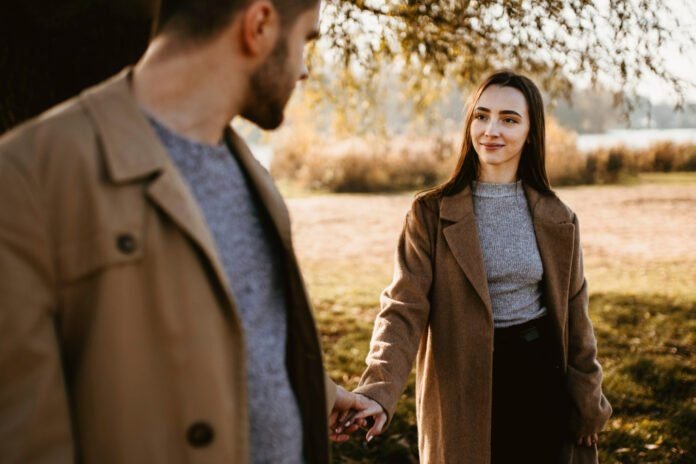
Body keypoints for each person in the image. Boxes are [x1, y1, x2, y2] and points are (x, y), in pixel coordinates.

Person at [0, 0, 372, 462]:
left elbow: (243, 328)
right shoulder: (24, 179)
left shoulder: (253, 175)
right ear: (258, 25)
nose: (303, 71)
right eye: (305, 41)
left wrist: (318, 390)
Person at [339, 71, 612, 463]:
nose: (491, 130)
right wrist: (377, 391)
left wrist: (589, 403)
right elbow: (403, 308)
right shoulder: (429, 214)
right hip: (463, 386)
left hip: (541, 381)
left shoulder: (559, 218)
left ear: (531, 132)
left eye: (509, 119)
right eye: (481, 116)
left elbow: (576, 318)